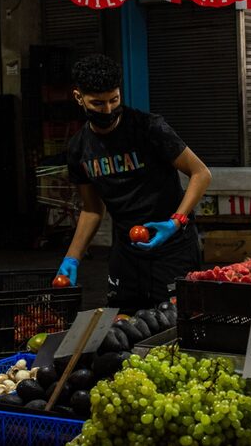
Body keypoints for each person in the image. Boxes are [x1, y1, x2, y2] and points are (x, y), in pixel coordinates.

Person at [57, 54, 212, 312]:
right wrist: (71, 258)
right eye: (98, 103)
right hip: (126, 252)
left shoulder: (149, 128)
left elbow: (201, 173)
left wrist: (176, 222)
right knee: (123, 324)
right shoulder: (78, 148)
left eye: (113, 100)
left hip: (172, 247)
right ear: (78, 98)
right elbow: (92, 209)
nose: (108, 110)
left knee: (174, 321)